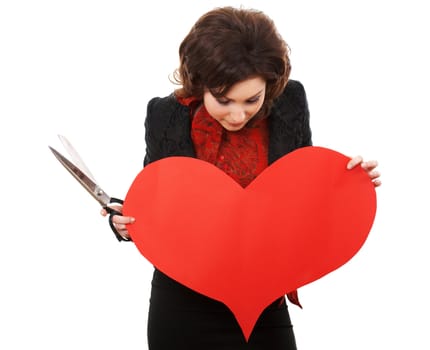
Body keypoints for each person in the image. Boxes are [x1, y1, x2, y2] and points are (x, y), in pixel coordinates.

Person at [101, 6, 381, 349]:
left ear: (271, 85)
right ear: (200, 84)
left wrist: (347, 183)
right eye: (223, 100)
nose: (238, 114)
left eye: (251, 100)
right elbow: (157, 198)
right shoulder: (165, 114)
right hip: (183, 299)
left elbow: (303, 195)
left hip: (264, 296)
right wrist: (122, 221)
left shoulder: (289, 102)